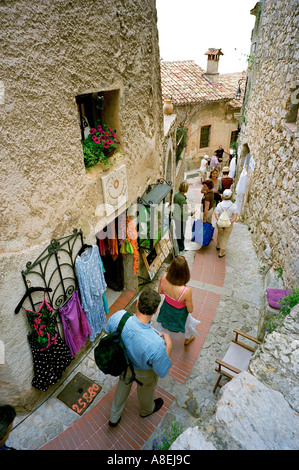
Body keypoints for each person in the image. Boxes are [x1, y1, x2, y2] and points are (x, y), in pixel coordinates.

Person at [106, 288, 172, 427]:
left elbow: (109, 330)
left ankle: (114, 417)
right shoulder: (157, 343)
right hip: (144, 373)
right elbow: (162, 371)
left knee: (123, 386)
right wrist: (169, 345)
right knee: (146, 391)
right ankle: (146, 410)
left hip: (124, 364)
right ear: (155, 311)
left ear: (137, 304)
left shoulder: (120, 316)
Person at [156, 256, 200, 346]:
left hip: (166, 308)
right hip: (180, 313)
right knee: (188, 324)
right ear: (185, 272)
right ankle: (188, 338)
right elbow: (190, 310)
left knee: (163, 325)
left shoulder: (163, 277)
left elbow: (159, 291)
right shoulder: (186, 291)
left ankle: (162, 338)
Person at [214, 189, 238, 258]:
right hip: (229, 224)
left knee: (220, 233)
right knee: (225, 238)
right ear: (230, 196)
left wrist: (220, 221)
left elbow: (216, 215)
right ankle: (221, 252)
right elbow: (235, 217)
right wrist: (228, 223)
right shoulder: (233, 206)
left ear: (223, 196)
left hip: (220, 223)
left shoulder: (219, 205)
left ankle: (218, 245)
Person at [173, 181, 195, 252]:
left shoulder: (176, 194)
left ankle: (177, 245)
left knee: (178, 231)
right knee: (181, 233)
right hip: (181, 218)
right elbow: (183, 212)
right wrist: (191, 213)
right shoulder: (182, 198)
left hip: (176, 216)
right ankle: (181, 247)